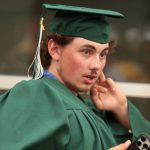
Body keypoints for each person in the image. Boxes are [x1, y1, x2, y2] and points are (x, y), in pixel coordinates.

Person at [0, 3, 150, 150]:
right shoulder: (36, 96)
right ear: (55, 49)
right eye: (86, 52)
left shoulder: (92, 108)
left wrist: (122, 109)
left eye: (103, 54)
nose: (97, 65)